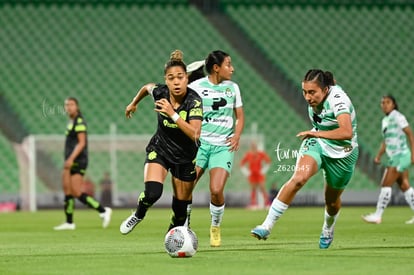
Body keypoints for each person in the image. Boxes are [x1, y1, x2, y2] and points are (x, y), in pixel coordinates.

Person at [251, 69, 358, 249]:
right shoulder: (318, 97)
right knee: (299, 178)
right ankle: (266, 226)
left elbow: (346, 132)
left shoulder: (338, 100)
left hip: (343, 152)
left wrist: (315, 133)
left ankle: (327, 229)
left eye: (312, 92)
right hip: (318, 143)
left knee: (331, 202)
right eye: (305, 92)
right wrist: (316, 136)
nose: (307, 97)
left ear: (325, 90)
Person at [119, 50, 203, 235]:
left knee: (181, 212)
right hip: (161, 150)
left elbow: (196, 134)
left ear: (186, 79)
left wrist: (172, 113)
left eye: (180, 77)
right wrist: (134, 103)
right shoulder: (160, 92)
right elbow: (147, 87)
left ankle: (174, 235)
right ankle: (138, 214)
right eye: (171, 78)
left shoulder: (194, 101)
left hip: (185, 157)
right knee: (152, 193)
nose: (176, 81)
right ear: (166, 80)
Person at [188, 50, 245, 247]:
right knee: (186, 186)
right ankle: (184, 226)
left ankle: (215, 226)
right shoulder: (195, 86)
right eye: (228, 64)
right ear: (216, 68)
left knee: (216, 189)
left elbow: (240, 116)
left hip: (223, 146)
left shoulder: (233, 88)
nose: (232, 69)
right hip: (199, 145)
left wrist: (237, 135)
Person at [54, 97, 112, 230]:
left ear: (77, 107)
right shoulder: (72, 122)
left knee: (76, 191)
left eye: (71, 104)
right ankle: (69, 222)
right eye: (66, 105)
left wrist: (71, 159)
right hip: (71, 160)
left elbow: (82, 143)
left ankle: (103, 210)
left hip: (78, 161)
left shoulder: (79, 121)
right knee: (67, 190)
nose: (68, 107)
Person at [362, 95, 414, 224]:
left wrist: (413, 153)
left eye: (388, 102)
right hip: (395, 156)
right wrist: (379, 155)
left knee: (386, 184)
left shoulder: (398, 116)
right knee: (404, 186)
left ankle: (378, 215)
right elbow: (386, 141)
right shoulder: (385, 120)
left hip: (400, 156)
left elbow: (410, 134)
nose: (384, 105)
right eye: (382, 102)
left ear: (394, 104)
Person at [240, 141, 271, 209]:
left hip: (259, 174)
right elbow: (241, 164)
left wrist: (263, 171)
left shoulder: (260, 154)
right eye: (252, 146)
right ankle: (253, 204)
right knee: (253, 189)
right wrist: (247, 172)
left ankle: (267, 203)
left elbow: (268, 161)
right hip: (252, 175)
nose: (254, 147)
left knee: (262, 187)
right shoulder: (248, 155)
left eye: (255, 146)